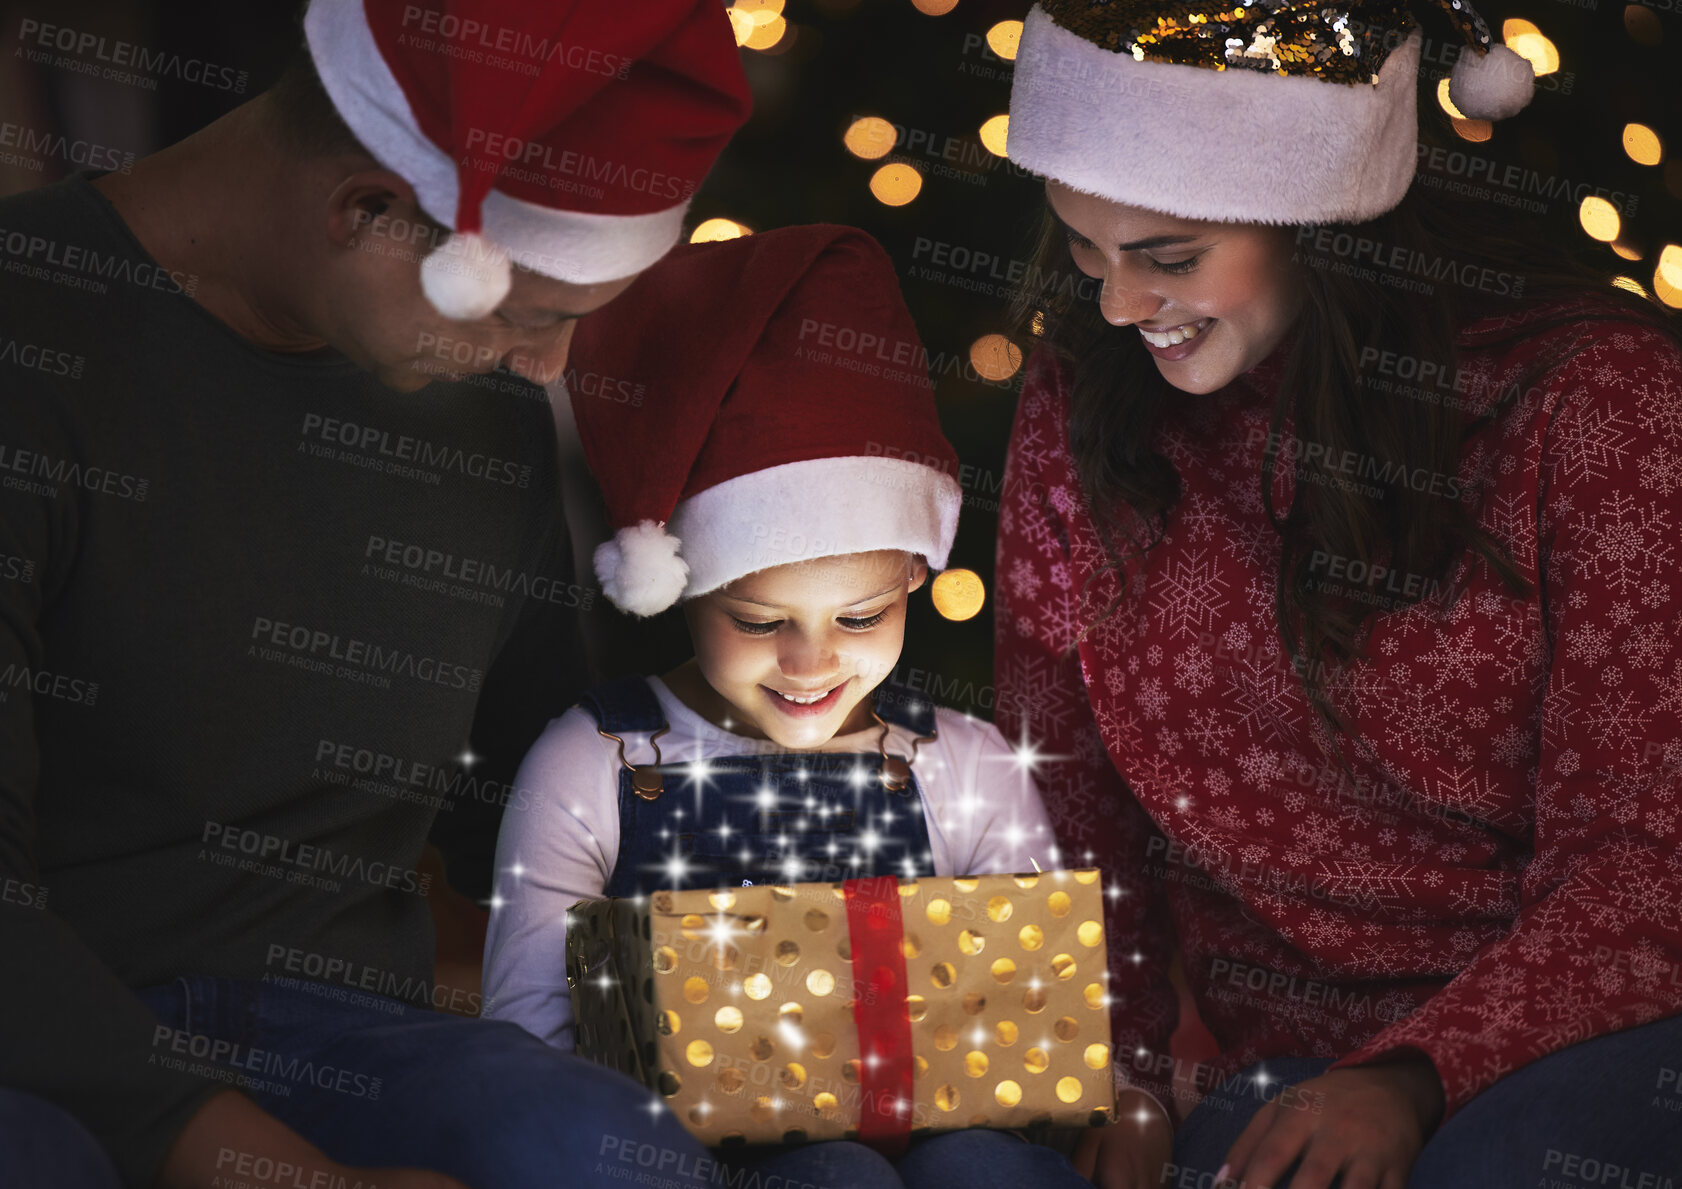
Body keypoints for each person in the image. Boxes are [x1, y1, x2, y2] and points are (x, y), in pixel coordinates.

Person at [0, 2, 750, 1187]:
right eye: (528, 314)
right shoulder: (31, 338)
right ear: (367, 213)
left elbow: (538, 796)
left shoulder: (473, 416)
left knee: (602, 1156)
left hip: (349, 1045)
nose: (545, 367)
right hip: (50, 1047)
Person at [995, 1, 1682, 1187]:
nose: (1114, 304)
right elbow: (1060, 796)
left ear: (1316, 219)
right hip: (1266, 1079)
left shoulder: (1599, 408)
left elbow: (1645, 860)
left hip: (1583, 1037)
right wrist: (1113, 1065)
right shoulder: (1087, 392)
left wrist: (1414, 1075)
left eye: (1165, 256)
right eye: (1082, 248)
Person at [482, 225, 1093, 1189]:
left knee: (991, 1171)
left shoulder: (962, 766)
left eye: (860, 613)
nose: (812, 660)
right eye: (759, 618)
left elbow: (1045, 1028)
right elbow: (525, 1050)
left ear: (915, 582)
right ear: (682, 586)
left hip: (952, 1153)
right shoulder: (593, 763)